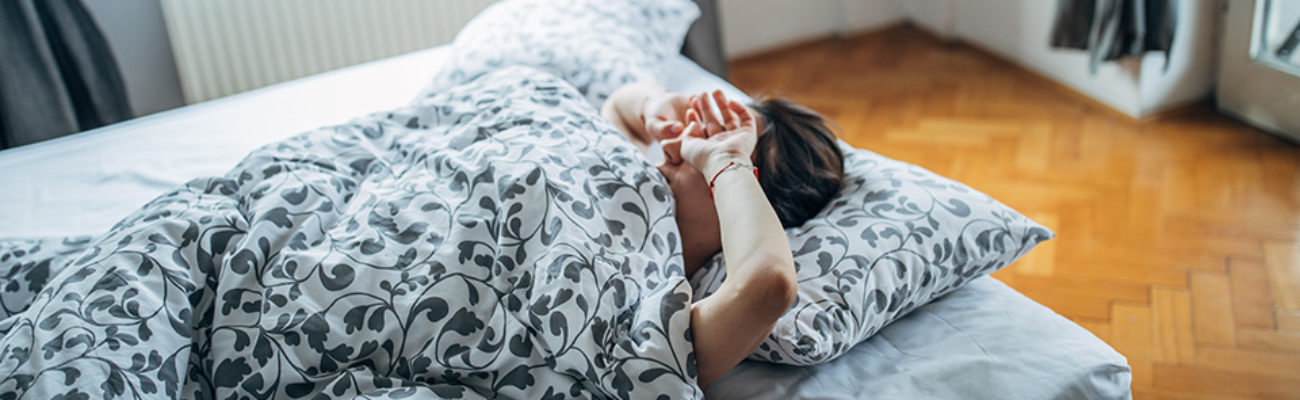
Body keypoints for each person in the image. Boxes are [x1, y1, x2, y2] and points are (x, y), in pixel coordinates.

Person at [602, 86, 845, 388]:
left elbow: (768, 284)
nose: (674, 146)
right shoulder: (630, 179)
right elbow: (618, 110)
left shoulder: (654, 322)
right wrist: (657, 105)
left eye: (704, 141)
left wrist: (725, 157)